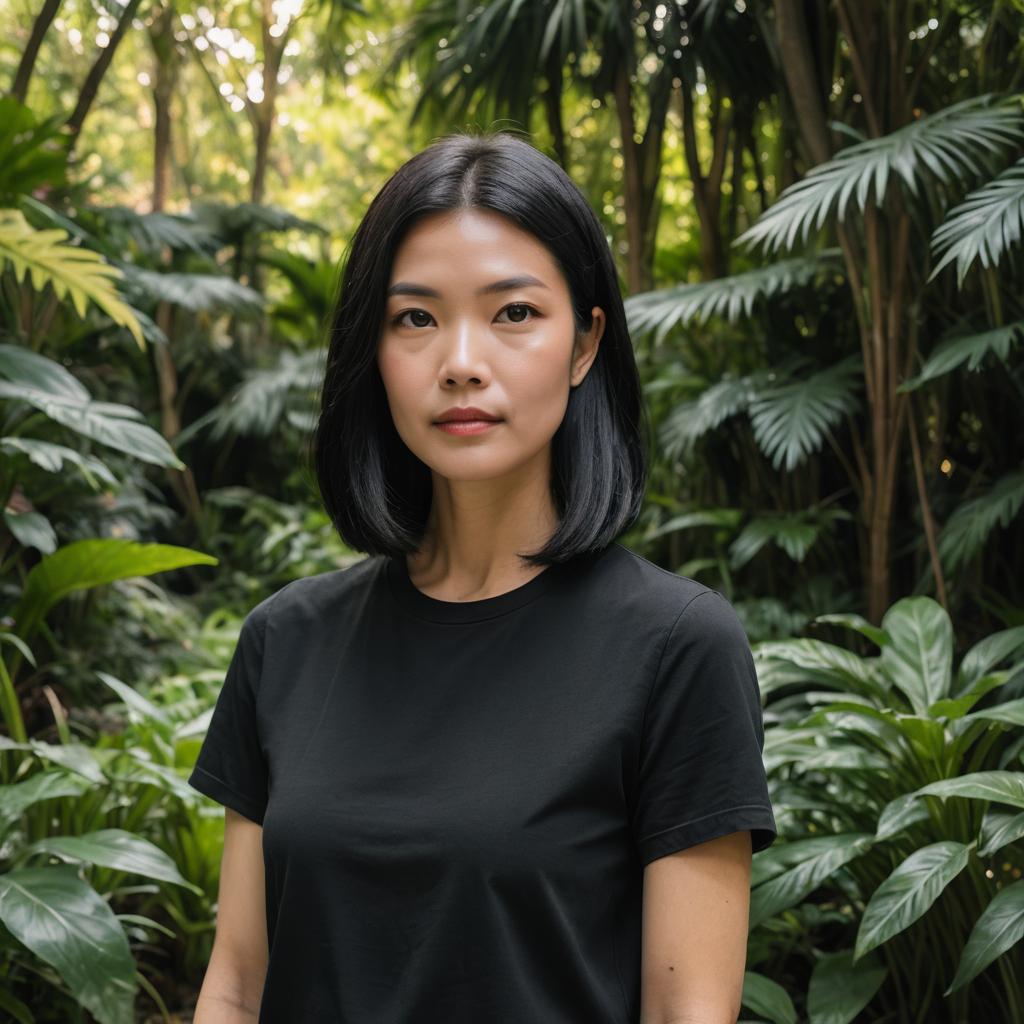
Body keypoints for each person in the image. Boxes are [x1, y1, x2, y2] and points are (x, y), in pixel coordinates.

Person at [188, 130, 777, 1024]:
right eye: (415, 317)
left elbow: (685, 1012)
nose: (460, 360)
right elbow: (235, 988)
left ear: (584, 346)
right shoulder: (286, 639)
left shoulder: (675, 647)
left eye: (513, 314)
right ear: (375, 352)